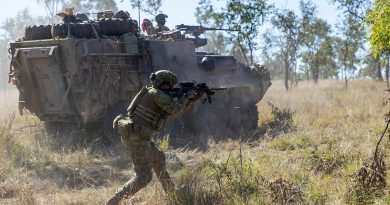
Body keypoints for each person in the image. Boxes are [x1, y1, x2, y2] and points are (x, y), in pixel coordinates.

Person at [105, 70, 201, 205]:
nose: (171, 88)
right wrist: (186, 97)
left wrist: (190, 100)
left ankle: (172, 195)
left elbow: (175, 111)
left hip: (139, 137)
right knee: (143, 177)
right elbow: (174, 109)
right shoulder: (156, 94)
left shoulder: (154, 93)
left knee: (159, 160)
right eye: (169, 85)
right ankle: (113, 202)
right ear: (162, 83)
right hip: (136, 138)